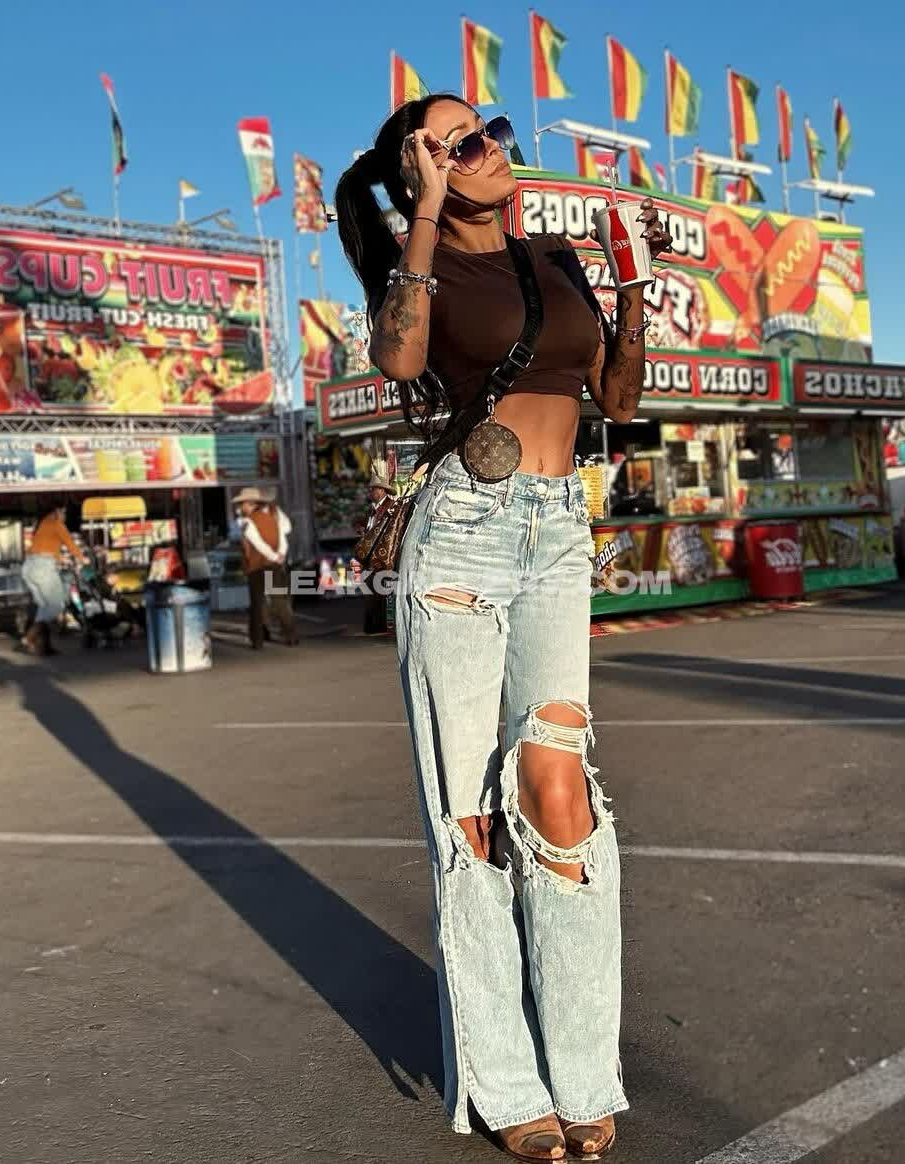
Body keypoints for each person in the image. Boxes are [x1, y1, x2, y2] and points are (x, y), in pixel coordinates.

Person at [335, 94, 671, 1160]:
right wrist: (427, 213)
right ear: (421, 170)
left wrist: (630, 286)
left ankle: (583, 1071)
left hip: (559, 526)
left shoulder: (553, 259)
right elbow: (399, 361)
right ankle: (506, 1081)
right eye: (461, 144)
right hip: (463, 535)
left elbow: (618, 399)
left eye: (492, 132)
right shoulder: (423, 265)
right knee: (469, 818)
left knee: (560, 795)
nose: (491, 150)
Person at [234, 488, 298, 650]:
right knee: (279, 601)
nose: (241, 507)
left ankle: (258, 640)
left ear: (250, 504)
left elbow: (257, 543)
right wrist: (279, 555)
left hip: (257, 566)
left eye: (242, 504)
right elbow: (283, 536)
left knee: (257, 603)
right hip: (274, 565)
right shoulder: (274, 516)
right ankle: (291, 636)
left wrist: (273, 556)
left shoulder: (247, 521)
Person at [20, 503, 84, 656]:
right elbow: (69, 542)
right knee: (57, 605)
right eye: (64, 513)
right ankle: (29, 637)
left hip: (29, 568)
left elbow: (45, 549)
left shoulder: (43, 524)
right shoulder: (56, 523)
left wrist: (62, 559)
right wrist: (82, 558)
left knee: (44, 607)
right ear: (57, 511)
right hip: (43, 568)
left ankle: (42, 647)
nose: (65, 516)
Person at [362, 462, 396, 635]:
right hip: (371, 556)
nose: (371, 492)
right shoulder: (373, 509)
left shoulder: (389, 507)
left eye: (374, 489)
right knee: (371, 590)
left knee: (378, 590)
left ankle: (378, 625)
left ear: (382, 490)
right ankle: (374, 624)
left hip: (381, 556)